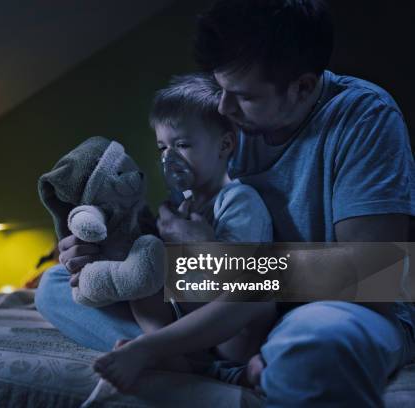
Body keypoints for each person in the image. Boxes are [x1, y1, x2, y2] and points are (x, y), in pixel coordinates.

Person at [36, 0, 415, 406]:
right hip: (225, 302)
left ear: (303, 86)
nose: (224, 108)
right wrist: (105, 255)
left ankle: (208, 360)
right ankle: (200, 361)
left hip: (328, 308)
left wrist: (216, 256)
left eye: (243, 97)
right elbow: (181, 242)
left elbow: (375, 275)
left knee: (321, 339)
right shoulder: (229, 116)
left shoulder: (363, 118)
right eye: (221, 89)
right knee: (57, 286)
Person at [90, 73, 276, 391]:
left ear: (225, 145)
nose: (169, 159)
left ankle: (154, 349)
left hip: (231, 333)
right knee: (142, 267)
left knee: (258, 290)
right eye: (163, 147)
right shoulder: (179, 207)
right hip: (187, 321)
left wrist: (199, 242)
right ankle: (176, 357)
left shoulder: (238, 199)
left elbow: (238, 277)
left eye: (183, 145)